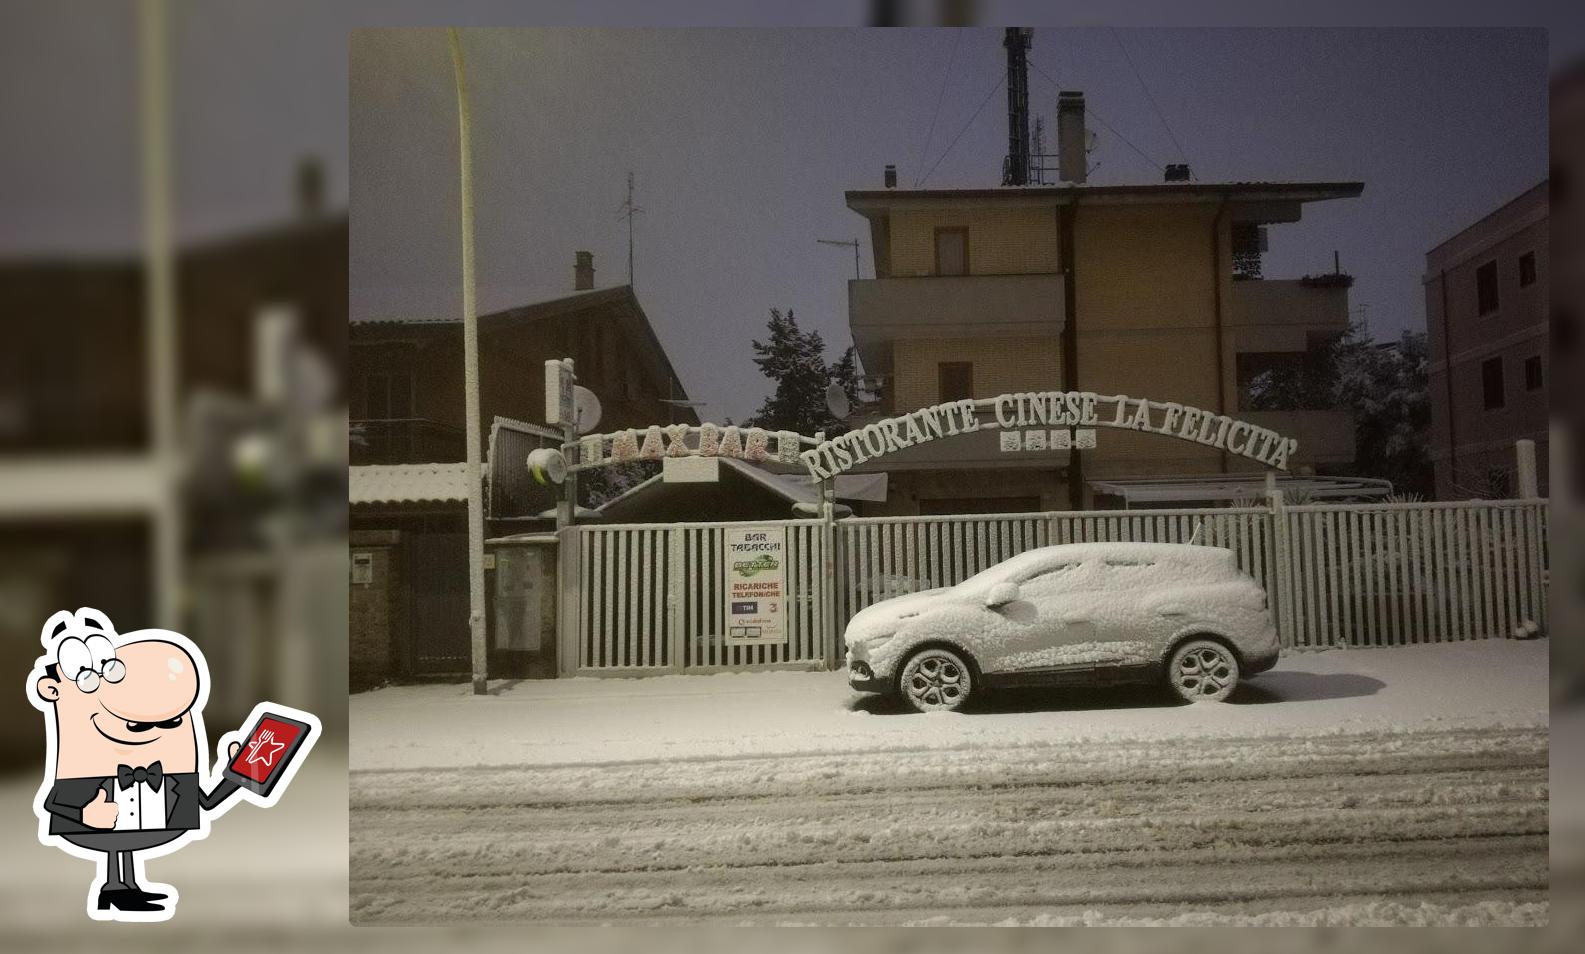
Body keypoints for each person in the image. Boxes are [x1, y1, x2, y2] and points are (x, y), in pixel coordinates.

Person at [30, 608, 244, 921]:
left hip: (149, 817)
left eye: (171, 722)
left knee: (123, 843)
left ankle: (124, 886)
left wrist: (239, 771)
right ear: (52, 690)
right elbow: (52, 802)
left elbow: (208, 802)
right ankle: (115, 888)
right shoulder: (83, 773)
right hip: (94, 820)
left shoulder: (171, 776)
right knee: (117, 841)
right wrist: (84, 813)